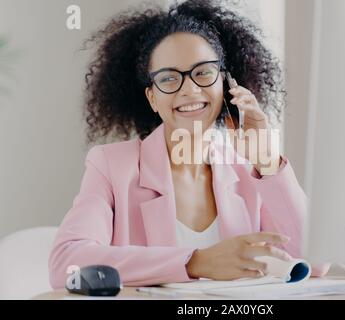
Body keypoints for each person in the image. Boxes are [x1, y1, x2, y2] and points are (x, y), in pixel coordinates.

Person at [48, 0, 329, 288]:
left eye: (203, 72)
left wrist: (268, 162)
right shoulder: (112, 166)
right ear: (152, 98)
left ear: (226, 83)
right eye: (169, 78)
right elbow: (66, 265)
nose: (190, 89)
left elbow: (318, 260)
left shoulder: (249, 171)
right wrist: (197, 262)